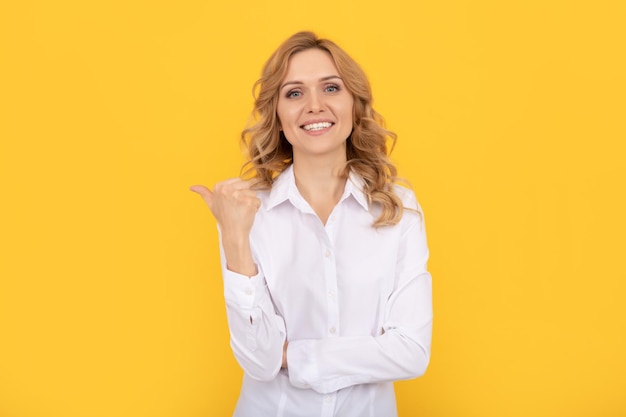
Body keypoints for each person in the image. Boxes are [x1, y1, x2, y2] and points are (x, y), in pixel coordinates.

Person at [191, 31, 432, 417]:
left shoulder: (398, 207)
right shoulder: (247, 211)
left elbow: (412, 353)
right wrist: (235, 238)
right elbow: (258, 360)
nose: (314, 106)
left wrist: (292, 356)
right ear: (278, 114)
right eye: (294, 93)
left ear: (355, 104)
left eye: (331, 88)